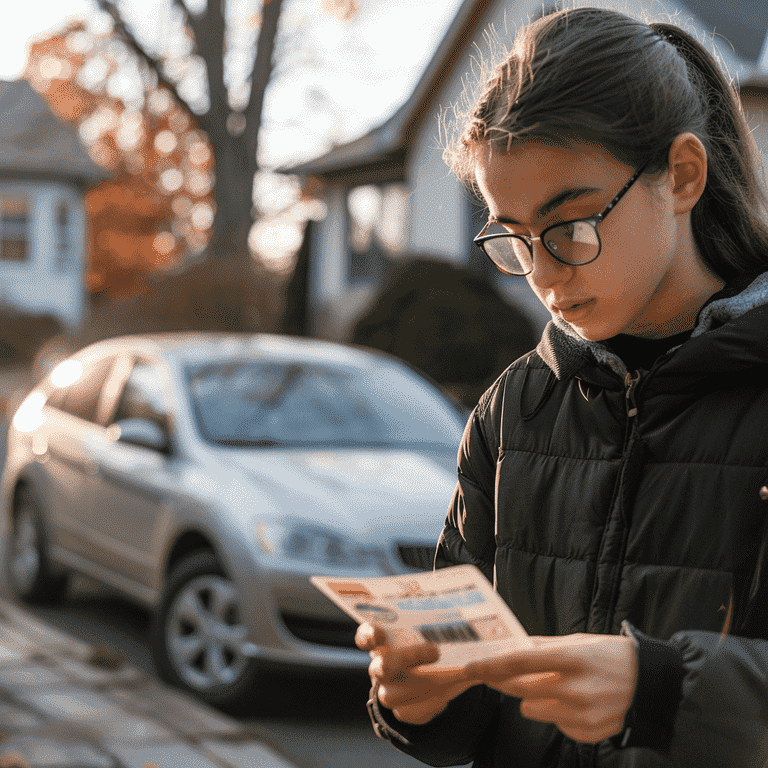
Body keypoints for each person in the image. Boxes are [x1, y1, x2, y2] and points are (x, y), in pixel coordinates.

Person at [354, 6, 768, 767]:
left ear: (681, 175)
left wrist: (666, 689)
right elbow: (473, 694)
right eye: (512, 238)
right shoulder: (513, 409)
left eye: (570, 227)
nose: (541, 277)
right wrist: (414, 699)